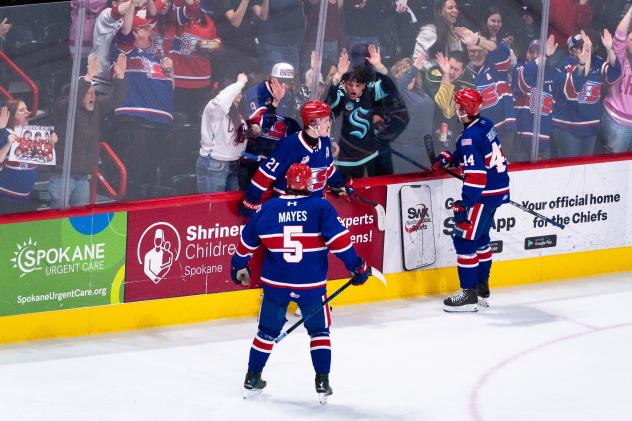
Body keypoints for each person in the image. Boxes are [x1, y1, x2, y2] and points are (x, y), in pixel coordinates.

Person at [230, 162, 369, 401]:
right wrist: (357, 266)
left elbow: (246, 243)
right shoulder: (320, 207)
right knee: (319, 331)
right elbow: (340, 242)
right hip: (310, 286)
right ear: (308, 183)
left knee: (266, 332)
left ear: (286, 183)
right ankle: (322, 381)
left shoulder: (268, 208)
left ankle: (252, 377)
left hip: (276, 284)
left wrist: (237, 266)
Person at [432, 88, 510, 312]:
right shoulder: (485, 125)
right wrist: (451, 158)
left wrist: (464, 203)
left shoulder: (469, 137)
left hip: (482, 195)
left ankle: (468, 294)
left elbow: (476, 176)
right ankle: (481, 288)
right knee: (481, 238)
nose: (456, 109)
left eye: (458, 106)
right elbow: (475, 153)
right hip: (497, 190)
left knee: (464, 238)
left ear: (463, 110)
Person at [240, 101, 350, 216]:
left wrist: (340, 184)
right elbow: (264, 175)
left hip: (315, 209)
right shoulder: (289, 145)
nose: (329, 125)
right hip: (289, 212)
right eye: (326, 121)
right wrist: (251, 201)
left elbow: (328, 170)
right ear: (314, 123)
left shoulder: (325, 142)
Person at [49, 53, 127, 209]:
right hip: (63, 175)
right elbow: (73, 99)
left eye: (94, 93)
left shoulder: (96, 106)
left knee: (77, 218)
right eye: (89, 93)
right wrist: (89, 76)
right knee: (58, 216)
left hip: (83, 176)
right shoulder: (63, 106)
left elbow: (115, 99)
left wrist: (120, 77)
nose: (93, 97)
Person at [553, 30, 620, 158]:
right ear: (571, 50)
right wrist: (582, 64)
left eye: (586, 45)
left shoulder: (597, 62)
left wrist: (610, 49)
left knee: (584, 170)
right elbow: (572, 90)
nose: (584, 49)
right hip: (568, 127)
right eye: (579, 47)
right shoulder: (564, 65)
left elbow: (613, 75)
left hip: (590, 127)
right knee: (570, 169)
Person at [0, 101, 58, 214]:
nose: (27, 112)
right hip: (5, 200)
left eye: (27, 109)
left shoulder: (32, 135)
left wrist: (51, 144)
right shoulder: (4, 134)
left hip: (25, 198)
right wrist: (7, 144)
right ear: (11, 116)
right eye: (21, 110)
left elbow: (40, 159)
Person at [197, 73, 249, 193]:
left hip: (235, 163)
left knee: (229, 208)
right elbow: (221, 102)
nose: (239, 96)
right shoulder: (214, 107)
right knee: (213, 207)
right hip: (214, 163)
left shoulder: (240, 114)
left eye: (240, 92)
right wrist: (239, 83)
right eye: (237, 92)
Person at [601, 5, 632, 153]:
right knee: (613, 167)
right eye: (631, 38)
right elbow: (619, 35)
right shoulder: (621, 58)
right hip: (618, 123)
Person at [413, 0, 463, 68]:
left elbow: (458, 58)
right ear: (440, 12)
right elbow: (417, 59)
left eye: (456, 8)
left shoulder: (454, 33)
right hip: (433, 76)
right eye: (450, 8)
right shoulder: (429, 31)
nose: (455, 10)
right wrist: (436, 71)